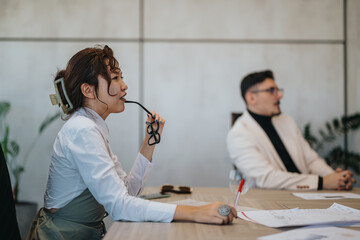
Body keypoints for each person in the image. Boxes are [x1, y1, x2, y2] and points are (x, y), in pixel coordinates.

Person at [26, 45, 236, 240]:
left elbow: (127, 192)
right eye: (115, 78)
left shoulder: (93, 126)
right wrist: (196, 212)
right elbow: (120, 206)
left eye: (121, 77)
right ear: (88, 90)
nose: (124, 86)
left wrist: (149, 142)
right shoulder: (83, 130)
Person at [227, 70, 356, 191]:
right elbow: (266, 178)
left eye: (278, 90)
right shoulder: (239, 134)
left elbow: (310, 160)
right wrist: (322, 182)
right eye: (271, 90)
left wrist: (335, 178)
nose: (280, 95)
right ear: (251, 98)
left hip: (309, 194)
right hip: (272, 201)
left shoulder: (286, 121)